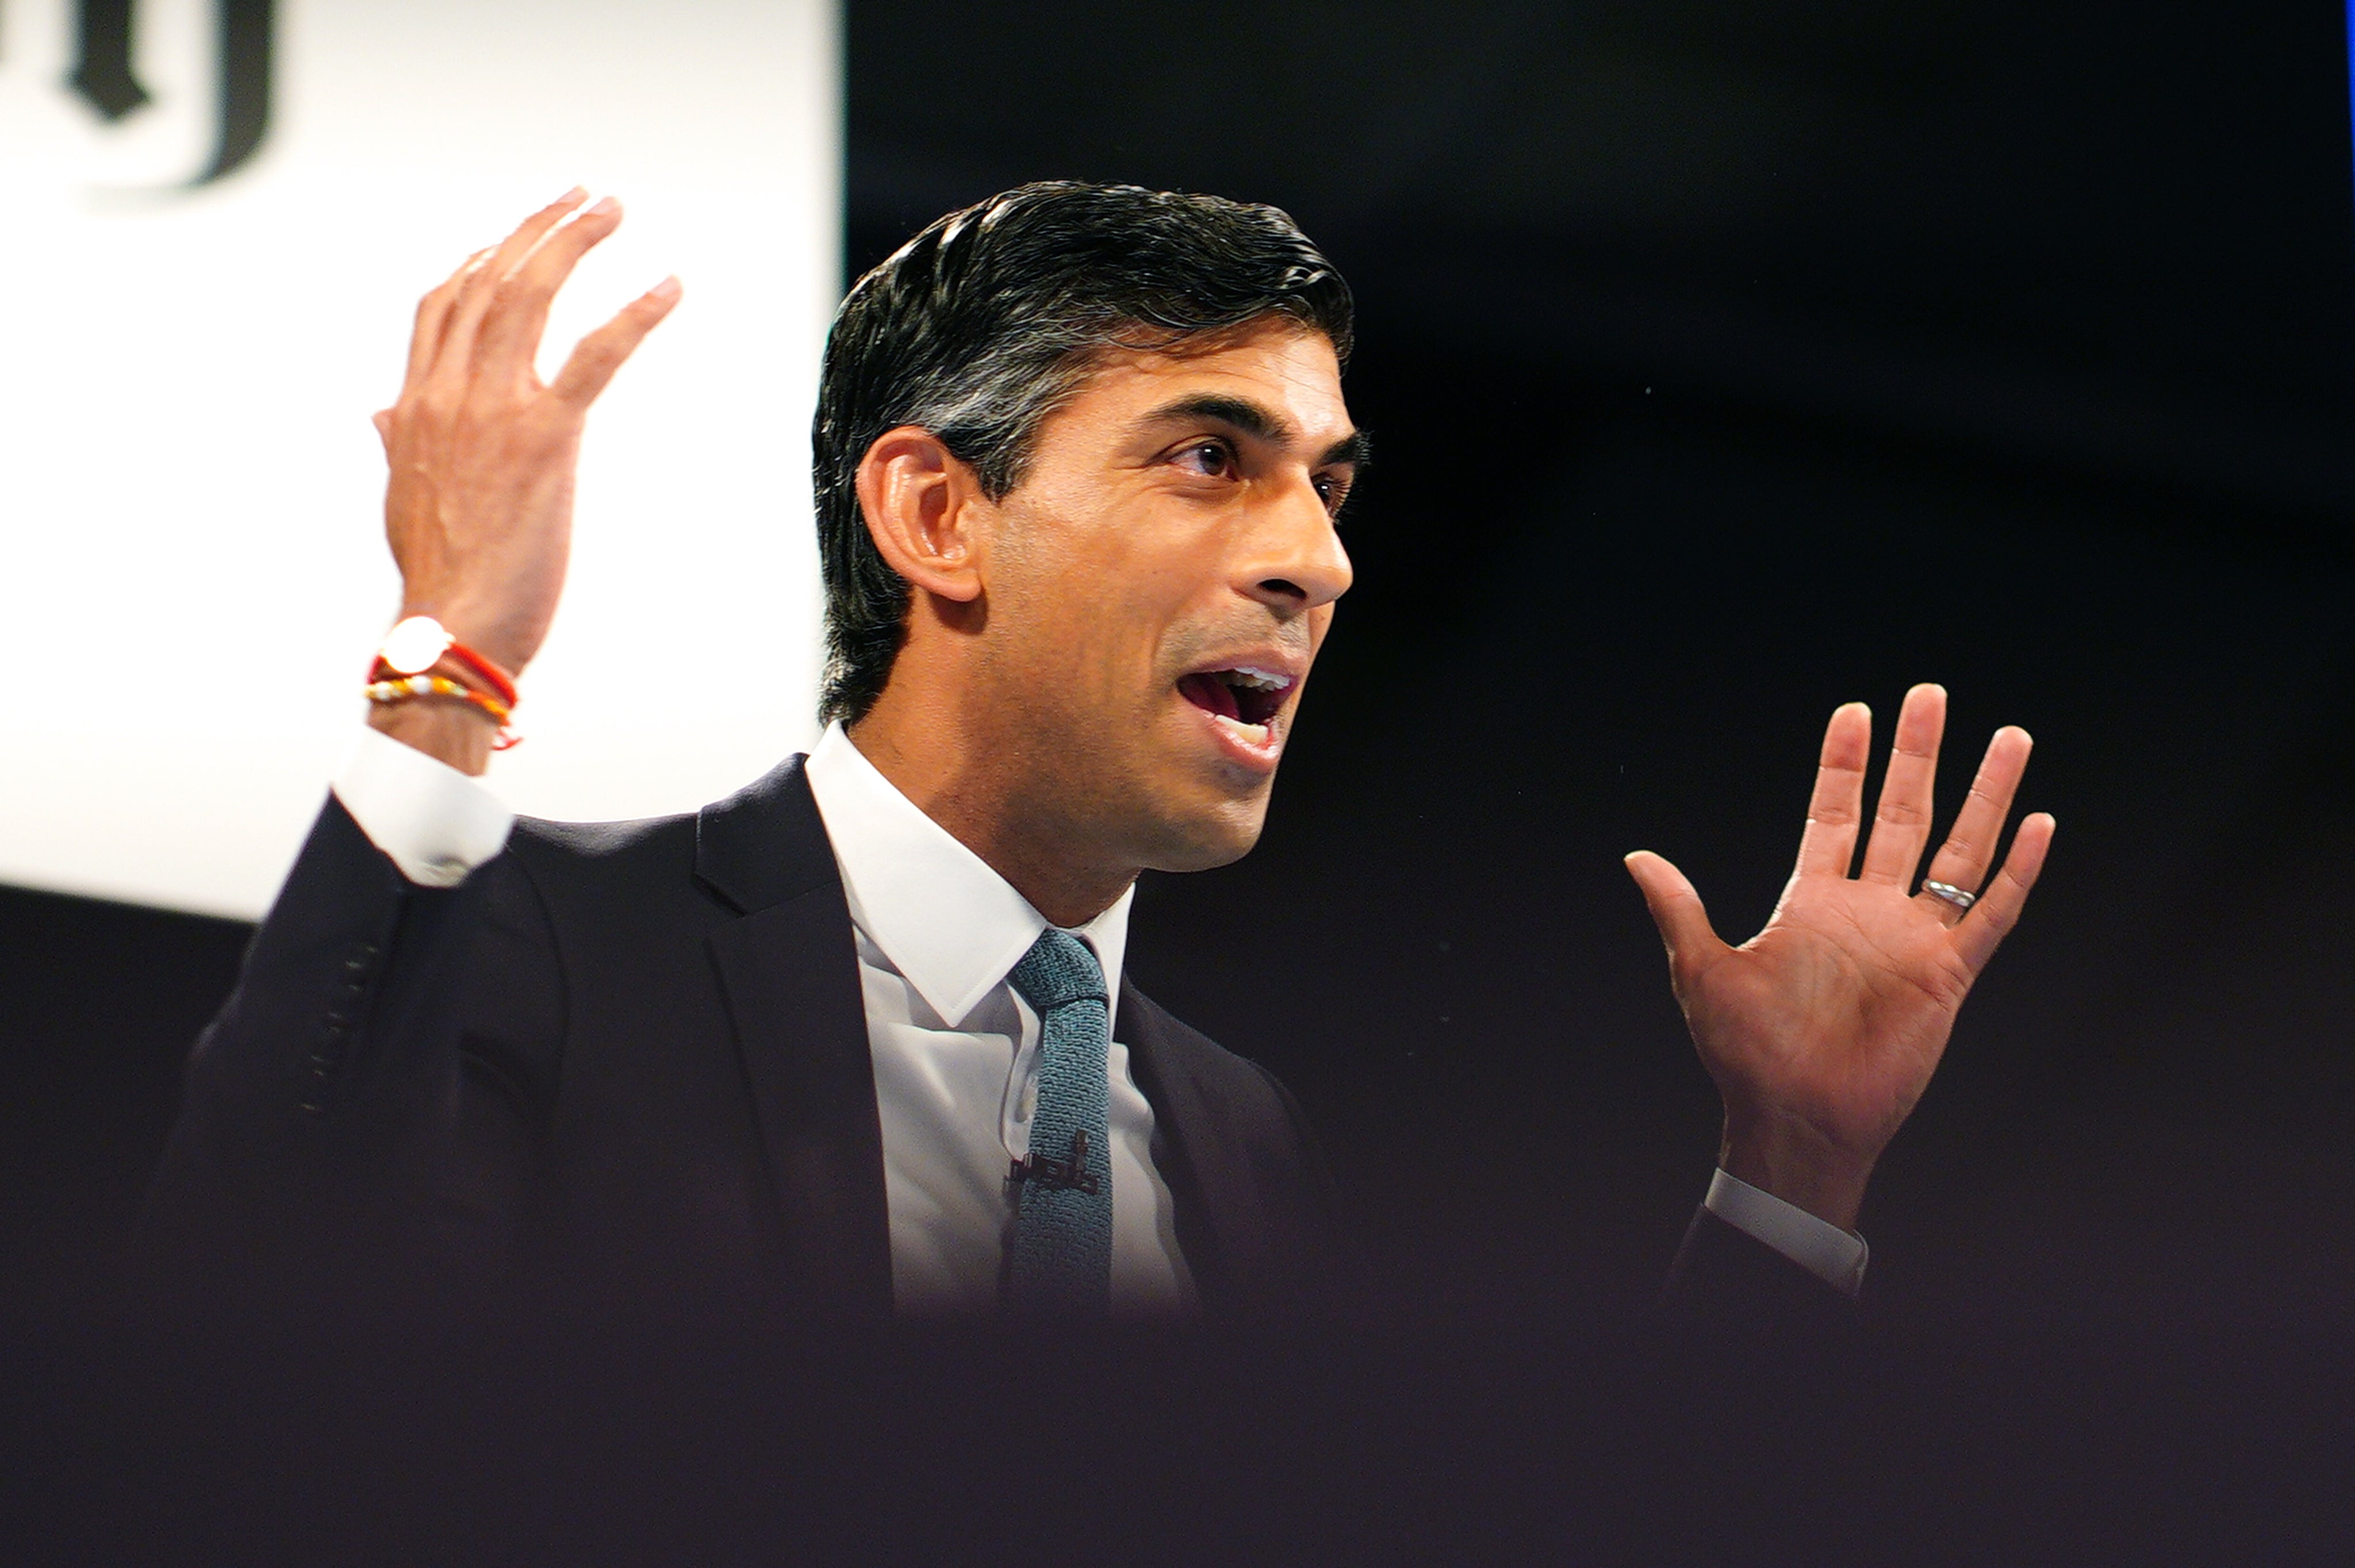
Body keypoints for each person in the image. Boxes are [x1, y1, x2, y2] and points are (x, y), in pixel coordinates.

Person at [141, 183, 2054, 1321]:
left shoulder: (1244, 1148)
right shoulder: (549, 948)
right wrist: (450, 656)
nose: (1317, 558)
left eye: (1329, 485)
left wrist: (1791, 1174)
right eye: (1210, 457)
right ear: (936, 518)